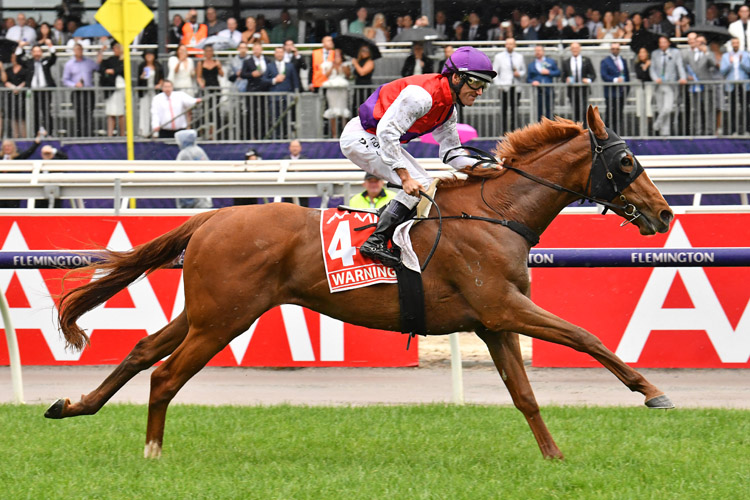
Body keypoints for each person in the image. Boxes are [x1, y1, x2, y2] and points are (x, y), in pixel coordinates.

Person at [339, 46, 498, 267]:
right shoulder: (421, 96)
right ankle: (376, 240)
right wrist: (404, 178)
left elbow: (452, 154)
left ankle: (387, 228)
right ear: (456, 78)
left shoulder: (449, 110)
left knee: (426, 185)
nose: (480, 91)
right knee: (421, 184)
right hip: (363, 135)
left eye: (484, 86)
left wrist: (488, 168)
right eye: (476, 83)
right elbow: (387, 132)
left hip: (379, 137)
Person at [650, 34, 687, 136]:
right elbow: (652, 68)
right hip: (659, 84)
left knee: (668, 108)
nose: (662, 44)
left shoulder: (675, 53)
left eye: (664, 42)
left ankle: (657, 123)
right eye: (660, 43)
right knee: (661, 108)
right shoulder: (655, 53)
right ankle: (664, 134)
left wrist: (683, 77)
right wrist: (655, 78)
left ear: (668, 43)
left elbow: (680, 66)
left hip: (670, 84)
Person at [62, 43, 101, 137]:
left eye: (80, 49)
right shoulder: (69, 64)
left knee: (89, 113)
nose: (78, 51)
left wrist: (99, 59)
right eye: (76, 49)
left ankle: (88, 133)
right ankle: (80, 134)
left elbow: (98, 68)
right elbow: (65, 79)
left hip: (88, 91)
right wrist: (74, 85)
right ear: (74, 51)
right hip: (77, 92)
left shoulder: (89, 62)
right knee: (79, 114)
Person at [682, 31, 717, 135]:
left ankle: (709, 131)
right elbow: (684, 67)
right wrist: (687, 76)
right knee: (695, 109)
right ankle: (698, 131)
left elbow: (713, 64)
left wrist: (706, 52)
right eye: (698, 42)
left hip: (706, 85)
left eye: (702, 42)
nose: (700, 44)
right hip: (694, 86)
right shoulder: (689, 54)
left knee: (708, 109)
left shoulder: (709, 53)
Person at [492, 37, 526, 133]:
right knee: (504, 110)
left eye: (511, 44)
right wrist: (499, 85)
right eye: (507, 44)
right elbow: (495, 72)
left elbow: (523, 70)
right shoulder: (499, 57)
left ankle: (514, 131)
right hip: (504, 87)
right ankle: (503, 132)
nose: (509, 46)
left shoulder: (519, 57)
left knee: (515, 110)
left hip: (515, 86)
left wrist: (519, 74)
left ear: (514, 45)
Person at [174, 129, 212, 209]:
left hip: (193, 198)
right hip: (204, 196)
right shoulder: (199, 150)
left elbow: (183, 178)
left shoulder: (184, 154)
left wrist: (187, 202)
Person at [24, 44, 56, 134]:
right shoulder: (29, 62)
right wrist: (20, 47)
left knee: (46, 111)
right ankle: (36, 132)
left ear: (41, 53)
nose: (37, 54)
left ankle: (49, 132)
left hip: (45, 90)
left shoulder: (45, 61)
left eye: (38, 51)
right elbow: (19, 59)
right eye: (35, 51)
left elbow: (53, 59)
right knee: (35, 112)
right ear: (32, 53)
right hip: (34, 91)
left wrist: (50, 47)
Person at [720, 37, 750, 134]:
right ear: (731, 44)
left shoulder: (746, 55)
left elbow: (749, 70)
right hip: (731, 85)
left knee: (745, 107)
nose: (735, 44)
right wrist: (730, 63)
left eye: (737, 43)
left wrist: (742, 63)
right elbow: (722, 71)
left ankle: (747, 129)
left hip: (744, 84)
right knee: (732, 108)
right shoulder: (726, 56)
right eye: (733, 43)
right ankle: (733, 130)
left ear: (739, 43)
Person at [561, 41, 596, 123]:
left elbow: (593, 75)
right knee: (575, 111)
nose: (575, 50)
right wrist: (566, 80)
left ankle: (584, 129)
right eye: (573, 48)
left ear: (580, 49)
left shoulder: (586, 60)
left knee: (583, 110)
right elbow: (562, 76)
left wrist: (588, 80)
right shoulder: (566, 62)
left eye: (576, 48)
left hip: (583, 89)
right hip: (572, 90)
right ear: (570, 49)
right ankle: (577, 130)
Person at [600, 42, 630, 133]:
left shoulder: (623, 61)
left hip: (621, 92)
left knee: (619, 114)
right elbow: (604, 76)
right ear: (610, 49)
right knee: (610, 114)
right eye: (613, 49)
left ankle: (617, 133)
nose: (615, 51)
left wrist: (626, 89)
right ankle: (608, 133)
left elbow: (627, 75)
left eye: (617, 49)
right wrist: (616, 80)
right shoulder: (605, 61)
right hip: (610, 92)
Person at [321, 49, 351, 138]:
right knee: (332, 110)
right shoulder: (328, 64)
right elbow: (326, 75)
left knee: (343, 111)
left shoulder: (346, 64)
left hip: (342, 89)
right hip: (332, 89)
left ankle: (345, 134)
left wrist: (341, 67)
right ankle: (334, 134)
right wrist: (333, 67)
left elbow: (348, 75)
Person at [196, 44, 224, 139]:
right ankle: (207, 131)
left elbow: (222, 74)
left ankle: (217, 132)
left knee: (216, 109)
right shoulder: (201, 62)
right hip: (206, 87)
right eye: (207, 51)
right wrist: (201, 84)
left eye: (210, 51)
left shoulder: (216, 61)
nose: (209, 53)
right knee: (207, 109)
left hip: (216, 86)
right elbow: (199, 77)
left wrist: (219, 67)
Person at [527, 44, 560, 121]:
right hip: (538, 91)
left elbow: (558, 72)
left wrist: (549, 72)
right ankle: (541, 128)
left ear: (543, 51)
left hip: (549, 89)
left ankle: (550, 127)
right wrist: (533, 82)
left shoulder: (550, 62)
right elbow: (528, 78)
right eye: (536, 51)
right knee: (539, 110)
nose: (538, 52)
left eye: (539, 50)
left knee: (550, 109)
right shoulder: (531, 65)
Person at [99, 41, 125, 137]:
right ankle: (110, 135)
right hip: (111, 88)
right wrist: (101, 52)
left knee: (120, 112)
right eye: (114, 48)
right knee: (111, 113)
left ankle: (122, 134)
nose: (116, 50)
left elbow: (121, 69)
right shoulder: (110, 60)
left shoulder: (124, 60)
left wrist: (113, 71)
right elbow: (101, 66)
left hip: (120, 88)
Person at [137, 49, 163, 137]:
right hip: (145, 91)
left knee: (155, 111)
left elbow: (162, 78)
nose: (149, 57)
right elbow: (138, 80)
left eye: (151, 55)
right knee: (144, 110)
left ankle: (155, 131)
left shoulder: (158, 66)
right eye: (147, 55)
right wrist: (142, 76)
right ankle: (144, 131)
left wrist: (159, 84)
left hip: (155, 91)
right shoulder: (142, 66)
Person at [2, 52, 29, 138]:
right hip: (12, 97)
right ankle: (15, 138)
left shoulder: (24, 70)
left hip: (22, 97)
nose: (13, 59)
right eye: (12, 58)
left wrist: (19, 87)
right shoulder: (8, 70)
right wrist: (12, 87)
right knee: (13, 118)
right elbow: (5, 80)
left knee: (22, 119)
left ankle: (24, 138)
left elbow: (27, 80)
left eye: (14, 58)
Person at [634, 46, 654, 135]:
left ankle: (648, 129)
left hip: (649, 87)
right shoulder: (637, 64)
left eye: (643, 52)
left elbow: (651, 76)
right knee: (641, 107)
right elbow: (640, 75)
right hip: (641, 87)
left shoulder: (652, 63)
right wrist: (645, 66)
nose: (642, 54)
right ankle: (642, 130)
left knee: (648, 106)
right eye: (640, 52)